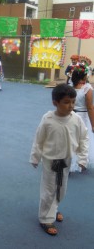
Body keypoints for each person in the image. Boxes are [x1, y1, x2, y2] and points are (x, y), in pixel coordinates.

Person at [29, 84, 88, 236]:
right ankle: (45, 218)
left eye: (73, 102)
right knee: (49, 190)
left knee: (61, 188)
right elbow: (39, 139)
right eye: (66, 102)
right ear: (55, 102)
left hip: (66, 161)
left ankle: (53, 209)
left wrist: (82, 158)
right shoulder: (48, 119)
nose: (71, 106)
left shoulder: (76, 119)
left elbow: (83, 138)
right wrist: (35, 157)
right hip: (51, 161)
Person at [70, 64, 94, 172]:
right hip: (83, 117)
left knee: (72, 139)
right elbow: (89, 107)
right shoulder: (87, 88)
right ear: (84, 77)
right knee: (83, 140)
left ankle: (69, 162)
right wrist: (93, 124)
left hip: (71, 115)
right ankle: (81, 162)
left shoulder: (70, 87)